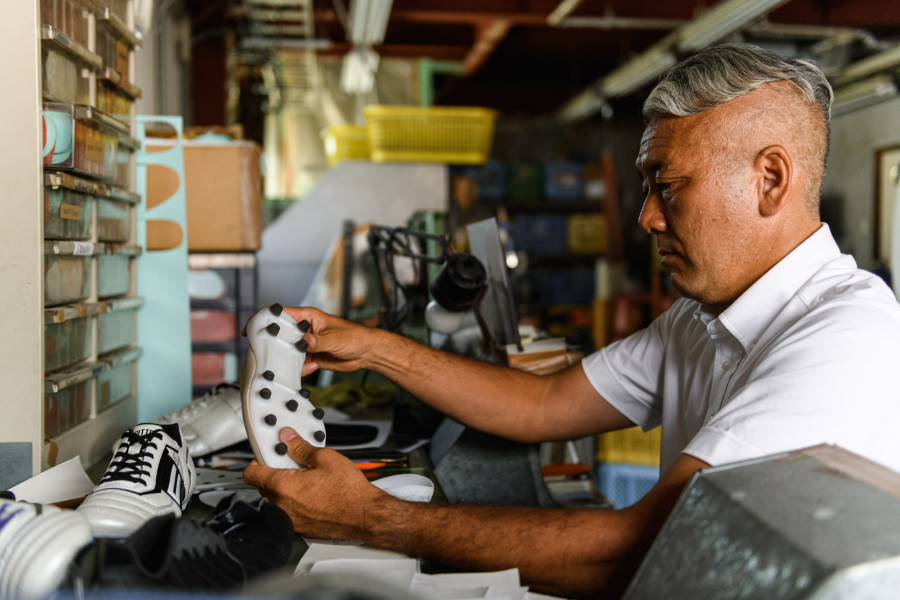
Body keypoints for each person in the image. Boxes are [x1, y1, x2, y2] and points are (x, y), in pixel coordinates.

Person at [243, 43, 900, 598]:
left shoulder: (848, 338)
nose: (646, 217)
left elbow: (638, 548)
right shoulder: (704, 318)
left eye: (667, 185)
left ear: (771, 180)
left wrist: (374, 521)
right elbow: (544, 403)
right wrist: (375, 349)